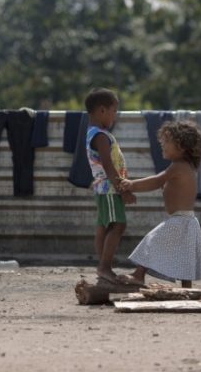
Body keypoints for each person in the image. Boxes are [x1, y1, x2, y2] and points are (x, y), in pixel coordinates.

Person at [118, 120, 201, 288]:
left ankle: (139, 275)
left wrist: (131, 185)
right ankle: (186, 288)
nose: (162, 145)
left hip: (179, 221)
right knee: (184, 255)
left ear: (181, 146)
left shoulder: (177, 166)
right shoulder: (186, 166)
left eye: (166, 142)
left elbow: (155, 181)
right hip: (187, 221)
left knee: (151, 240)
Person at [84, 88, 136, 283]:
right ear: (102, 111)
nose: (115, 116)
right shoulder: (100, 136)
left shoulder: (96, 133)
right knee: (118, 225)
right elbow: (108, 165)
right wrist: (123, 189)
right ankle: (105, 267)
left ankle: (102, 266)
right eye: (114, 111)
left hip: (103, 188)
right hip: (109, 189)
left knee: (103, 227)